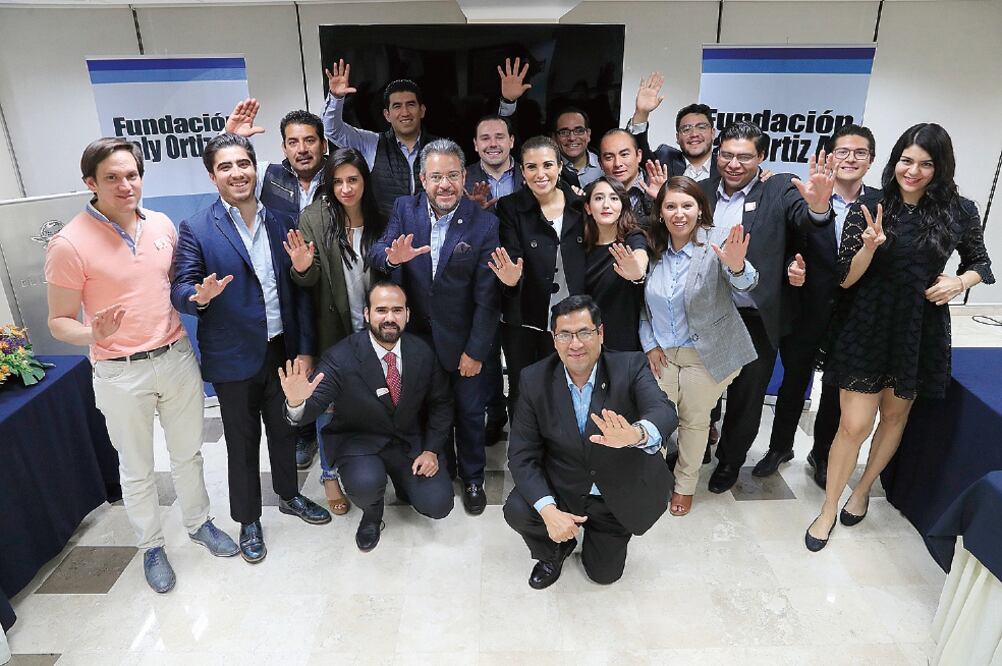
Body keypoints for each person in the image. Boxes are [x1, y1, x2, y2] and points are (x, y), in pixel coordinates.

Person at [44, 138, 239, 593]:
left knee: (189, 453)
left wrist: (197, 296)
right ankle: (151, 545)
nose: (125, 185)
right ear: (90, 183)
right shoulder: (69, 243)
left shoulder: (162, 225)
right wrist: (92, 334)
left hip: (174, 357)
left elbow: (175, 288)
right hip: (119, 371)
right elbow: (57, 322)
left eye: (131, 174)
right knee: (136, 467)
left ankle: (199, 523)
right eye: (112, 177)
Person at [806, 123, 994, 552]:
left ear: (940, 167)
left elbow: (982, 263)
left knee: (894, 418)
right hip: (866, 325)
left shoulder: (959, 211)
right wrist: (870, 247)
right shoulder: (870, 206)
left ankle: (862, 490)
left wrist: (959, 282)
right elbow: (846, 280)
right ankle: (828, 507)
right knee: (852, 426)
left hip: (918, 328)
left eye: (926, 164)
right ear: (894, 161)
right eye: (907, 160)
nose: (914, 170)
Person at [170, 133, 330, 565]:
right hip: (233, 355)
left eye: (243, 164)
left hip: (282, 349)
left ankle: (290, 495)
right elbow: (181, 285)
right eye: (226, 167)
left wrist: (305, 347)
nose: (237, 173)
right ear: (212, 175)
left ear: (256, 168)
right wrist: (197, 297)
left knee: (285, 430)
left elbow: (299, 290)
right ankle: (249, 519)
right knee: (242, 441)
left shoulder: (281, 220)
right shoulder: (198, 228)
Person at [698, 121, 837, 494]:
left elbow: (806, 218)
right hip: (706, 312)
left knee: (746, 395)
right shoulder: (703, 191)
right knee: (702, 387)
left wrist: (820, 206)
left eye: (744, 156)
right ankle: (698, 448)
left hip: (754, 314)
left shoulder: (778, 188)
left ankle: (730, 461)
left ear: (761, 157)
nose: (733, 163)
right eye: (726, 155)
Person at [504, 295, 677, 588]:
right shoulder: (534, 379)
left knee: (604, 575)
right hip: (564, 486)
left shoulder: (630, 365)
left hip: (614, 493)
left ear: (600, 333)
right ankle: (554, 551)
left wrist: (635, 434)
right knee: (519, 509)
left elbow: (664, 411)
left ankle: (601, 539)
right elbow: (521, 455)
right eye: (565, 334)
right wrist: (549, 512)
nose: (575, 344)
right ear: (553, 338)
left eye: (584, 332)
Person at [368, 139, 501, 515]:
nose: (445, 184)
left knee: (470, 413)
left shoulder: (484, 223)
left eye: (453, 176)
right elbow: (378, 252)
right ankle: (440, 467)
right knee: (425, 411)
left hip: (463, 342)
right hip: (415, 342)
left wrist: (476, 351)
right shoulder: (403, 209)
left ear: (464, 177)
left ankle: (473, 477)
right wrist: (392, 258)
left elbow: (487, 297)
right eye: (437, 176)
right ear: (422, 178)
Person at [281, 282, 455, 551]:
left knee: (439, 503)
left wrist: (431, 450)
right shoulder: (340, 357)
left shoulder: (422, 352)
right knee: (365, 484)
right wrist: (296, 401)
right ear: (367, 314)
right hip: (360, 441)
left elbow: (442, 403)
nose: (389, 318)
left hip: (407, 442)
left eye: (397, 310)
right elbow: (310, 410)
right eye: (381, 310)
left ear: (408, 314)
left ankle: (404, 484)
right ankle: (372, 516)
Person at [754, 125, 882, 486]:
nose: (850, 159)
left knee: (835, 387)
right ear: (828, 156)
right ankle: (780, 447)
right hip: (806, 306)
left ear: (871, 161)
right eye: (842, 151)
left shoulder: (881, 202)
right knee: (794, 381)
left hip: (854, 313)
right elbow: (780, 245)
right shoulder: (803, 196)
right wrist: (790, 270)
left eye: (860, 153)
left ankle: (821, 454)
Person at [641, 176, 759, 516]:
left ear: (700, 209)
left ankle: (684, 485)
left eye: (687, 205)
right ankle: (651, 482)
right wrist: (650, 344)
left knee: (694, 422)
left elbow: (745, 281)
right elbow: (640, 306)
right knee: (658, 420)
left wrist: (738, 266)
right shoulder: (650, 247)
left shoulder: (716, 242)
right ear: (660, 212)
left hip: (704, 354)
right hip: (662, 352)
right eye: (671, 206)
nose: (680, 213)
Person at [225, 98, 331, 471]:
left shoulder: (338, 177)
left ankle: (338, 431)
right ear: (284, 146)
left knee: (329, 356)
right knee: (293, 361)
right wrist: (230, 137)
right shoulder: (269, 177)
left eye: (310, 140)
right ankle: (302, 432)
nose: (302, 149)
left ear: (323, 143)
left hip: (329, 281)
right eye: (293, 141)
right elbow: (232, 188)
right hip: (286, 285)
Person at [284, 146, 387, 515]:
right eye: (338, 181)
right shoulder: (314, 217)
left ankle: (370, 463)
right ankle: (329, 475)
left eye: (353, 180)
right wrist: (300, 267)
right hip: (333, 327)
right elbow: (308, 280)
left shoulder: (381, 216)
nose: (346, 188)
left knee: (375, 398)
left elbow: (390, 270)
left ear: (364, 181)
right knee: (327, 404)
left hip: (376, 330)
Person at [492, 135, 587, 418]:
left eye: (547, 165)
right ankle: (522, 453)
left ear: (560, 166)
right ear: (522, 171)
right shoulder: (510, 207)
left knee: (564, 386)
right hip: (524, 315)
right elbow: (511, 255)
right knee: (523, 388)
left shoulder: (580, 205)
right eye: (531, 167)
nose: (540, 174)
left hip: (570, 317)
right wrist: (509, 279)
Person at [322, 60, 440, 219]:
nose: (405, 112)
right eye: (397, 106)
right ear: (387, 115)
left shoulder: (441, 148)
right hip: (385, 238)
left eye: (410, 104)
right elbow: (332, 130)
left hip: (432, 237)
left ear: (422, 111)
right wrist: (336, 98)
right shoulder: (373, 143)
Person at [497, 57, 603, 187]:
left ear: (588, 134)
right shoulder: (542, 170)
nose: (572, 137)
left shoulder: (605, 164)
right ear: (553, 137)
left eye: (579, 130)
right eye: (564, 132)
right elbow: (510, 143)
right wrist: (508, 102)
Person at [581, 176, 649, 351]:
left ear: (623, 206)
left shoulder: (633, 237)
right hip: (586, 338)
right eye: (598, 198)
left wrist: (637, 272)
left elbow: (640, 258)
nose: (606, 205)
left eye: (613, 198)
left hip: (625, 339)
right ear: (588, 207)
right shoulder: (579, 245)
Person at [625, 73, 718, 182]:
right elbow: (637, 151)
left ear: (713, 133)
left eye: (701, 127)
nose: (694, 134)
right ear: (677, 137)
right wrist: (641, 113)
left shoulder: (727, 166)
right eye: (686, 129)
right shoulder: (664, 159)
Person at [465, 113, 523, 212]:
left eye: (499, 137)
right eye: (485, 138)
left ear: (511, 141)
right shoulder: (462, 179)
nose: (493, 144)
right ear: (476, 144)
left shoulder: (530, 175)